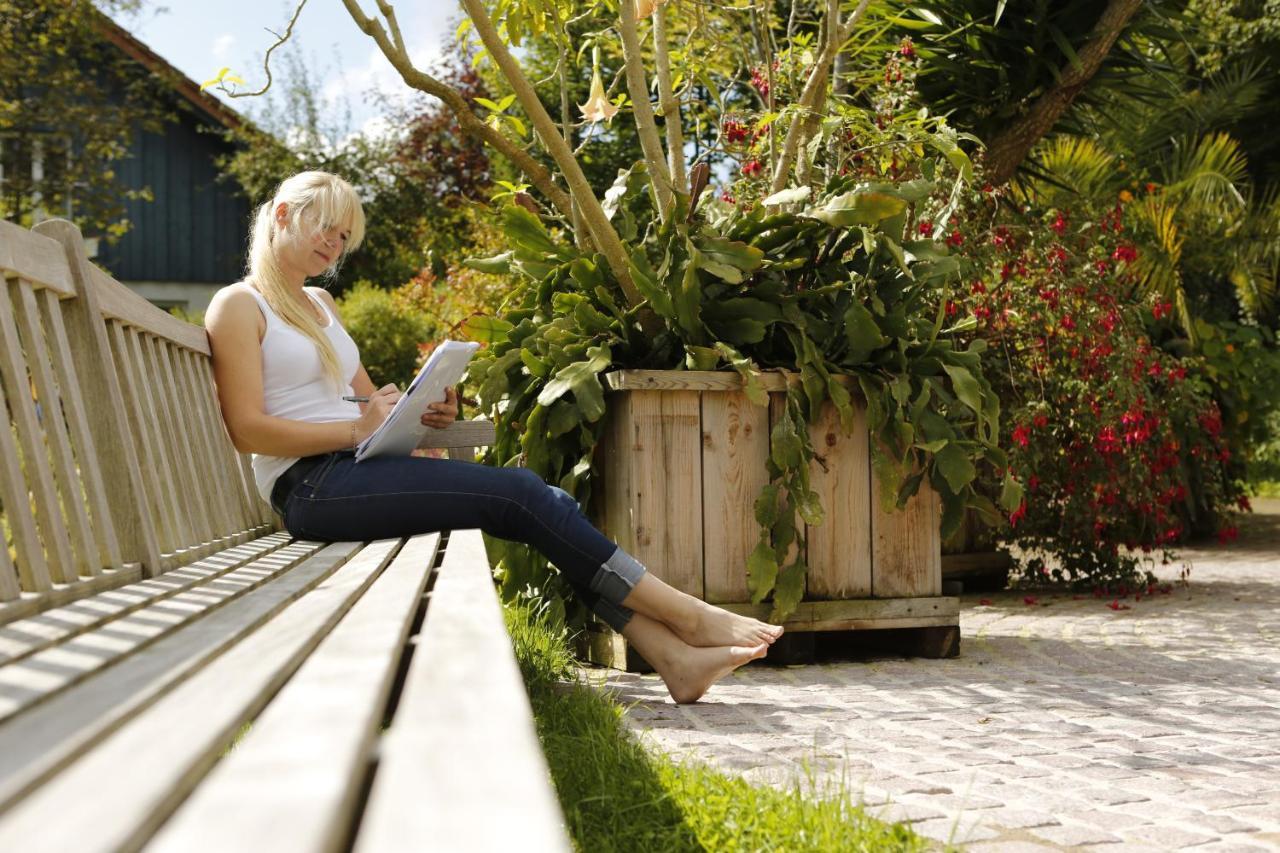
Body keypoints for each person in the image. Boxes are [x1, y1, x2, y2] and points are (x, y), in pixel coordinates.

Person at [205, 171, 783, 704]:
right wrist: (355, 427)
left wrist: (418, 407)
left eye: (343, 235)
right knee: (521, 496)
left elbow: (361, 398)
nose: (334, 245)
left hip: (353, 468)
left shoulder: (320, 304)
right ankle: (689, 618)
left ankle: (673, 656)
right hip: (311, 488)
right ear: (281, 216)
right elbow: (245, 429)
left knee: (538, 505)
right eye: (324, 229)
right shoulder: (240, 306)